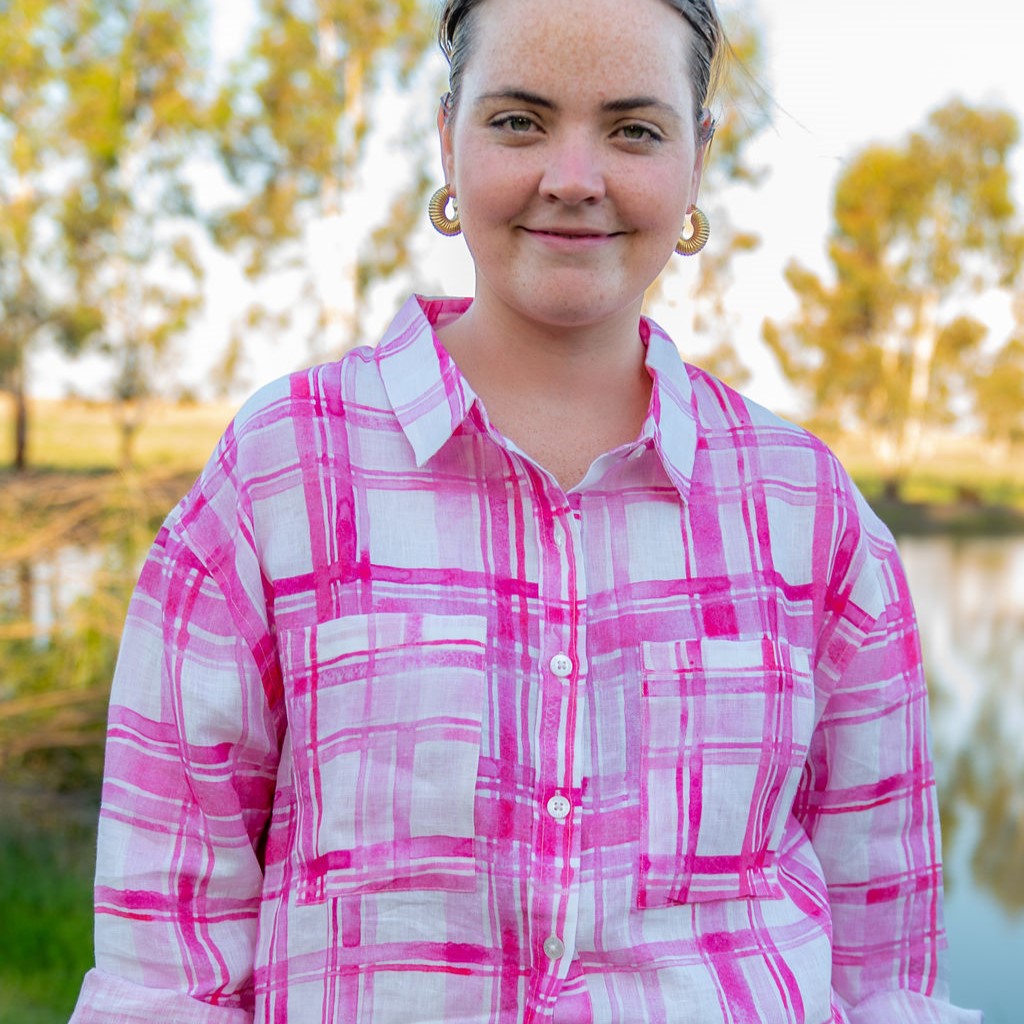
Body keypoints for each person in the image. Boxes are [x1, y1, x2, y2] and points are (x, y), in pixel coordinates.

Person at [70, 0, 981, 1021]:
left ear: (697, 160)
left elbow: (881, 970)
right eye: (518, 120)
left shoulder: (811, 511)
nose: (573, 177)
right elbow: (166, 958)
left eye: (634, 129)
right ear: (446, 136)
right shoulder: (281, 473)